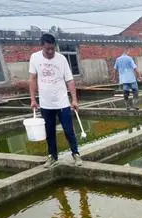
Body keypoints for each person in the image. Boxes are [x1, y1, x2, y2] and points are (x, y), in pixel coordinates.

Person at [29, 33, 82, 168]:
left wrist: (74, 99)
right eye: (48, 49)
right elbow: (33, 79)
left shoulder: (61, 59)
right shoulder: (35, 58)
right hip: (46, 103)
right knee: (49, 131)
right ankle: (53, 156)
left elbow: (69, 80)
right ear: (42, 46)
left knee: (69, 130)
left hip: (62, 102)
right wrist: (33, 99)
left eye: (53, 48)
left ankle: (75, 153)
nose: (51, 51)